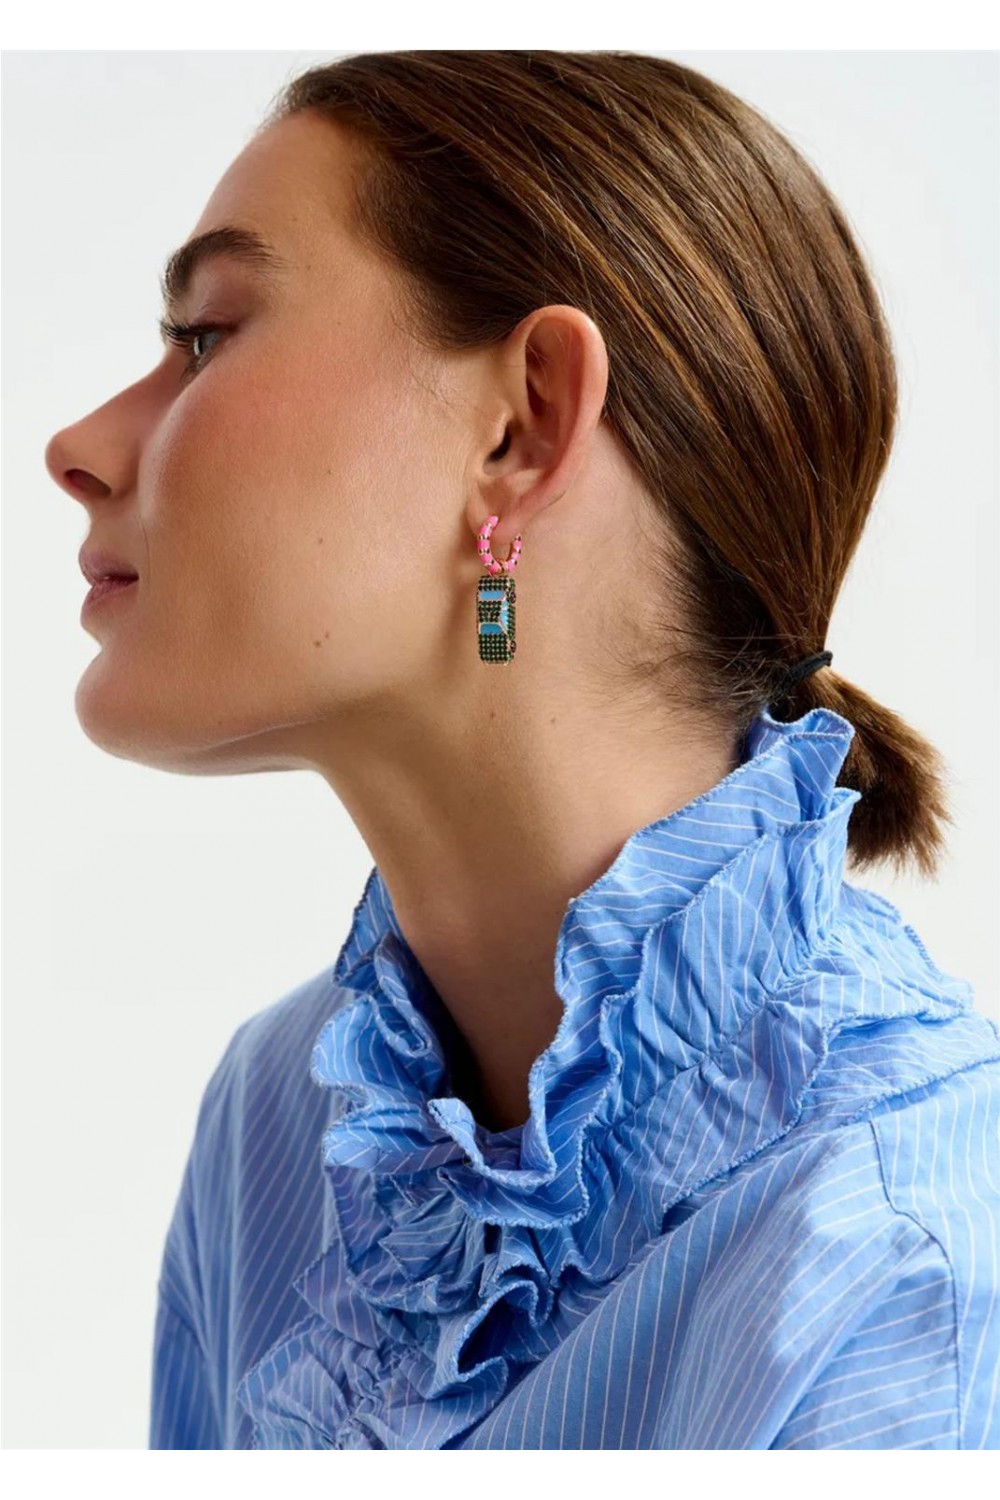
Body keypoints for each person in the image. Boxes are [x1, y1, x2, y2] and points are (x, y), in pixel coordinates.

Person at [44, 50, 999, 1450]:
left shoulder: (908, 1256)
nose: (77, 445)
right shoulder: (279, 1127)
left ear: (522, 428)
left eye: (206, 337)